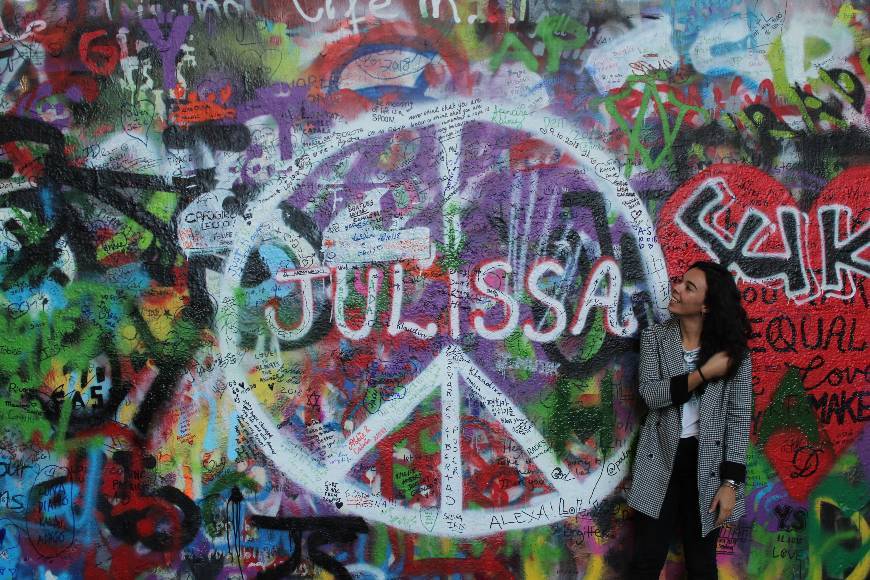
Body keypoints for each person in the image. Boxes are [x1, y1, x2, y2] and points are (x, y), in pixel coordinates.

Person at [626, 261, 753, 579]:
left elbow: (738, 418)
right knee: (646, 561)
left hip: (708, 465)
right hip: (661, 460)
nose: (677, 288)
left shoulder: (734, 353)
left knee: (701, 566)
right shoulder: (656, 337)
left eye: (689, 287)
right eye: (680, 282)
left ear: (707, 305)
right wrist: (703, 373)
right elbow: (651, 396)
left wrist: (731, 483)